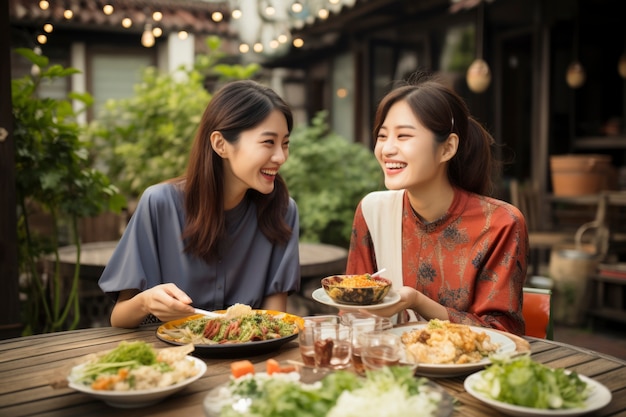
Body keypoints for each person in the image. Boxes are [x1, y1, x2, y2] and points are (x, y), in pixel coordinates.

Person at [99, 80, 300, 328]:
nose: (280, 157)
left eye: (285, 143)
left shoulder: (282, 211)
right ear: (220, 144)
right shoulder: (159, 204)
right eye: (268, 142)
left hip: (248, 359)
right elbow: (119, 318)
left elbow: (274, 326)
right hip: (172, 359)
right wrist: (146, 302)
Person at [346, 73, 528, 335]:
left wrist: (417, 302)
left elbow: (501, 334)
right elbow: (352, 309)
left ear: (447, 148)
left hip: (473, 373)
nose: (386, 149)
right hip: (390, 366)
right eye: (382, 136)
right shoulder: (372, 211)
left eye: (404, 136)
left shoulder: (500, 223)